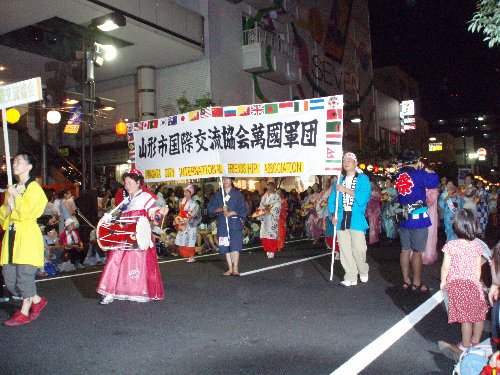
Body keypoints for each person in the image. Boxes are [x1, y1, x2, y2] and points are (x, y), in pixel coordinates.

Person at [97, 169, 168, 304]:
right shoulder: (126, 201)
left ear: (138, 182)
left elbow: (153, 214)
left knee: (136, 262)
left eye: (130, 182)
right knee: (114, 260)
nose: (127, 185)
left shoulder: (146, 198)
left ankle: (138, 291)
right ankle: (110, 291)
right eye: (125, 183)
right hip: (124, 237)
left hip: (138, 238)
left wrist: (160, 211)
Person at [0, 152, 48, 326]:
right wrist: (8, 205)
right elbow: (4, 216)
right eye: (15, 161)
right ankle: (36, 299)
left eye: (20, 161)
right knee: (10, 279)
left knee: (24, 276)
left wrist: (16, 197)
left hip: (27, 236)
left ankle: (24, 312)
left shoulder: (34, 188)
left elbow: (29, 212)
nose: (15, 164)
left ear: (29, 166)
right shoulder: (12, 188)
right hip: (12, 236)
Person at [440, 208, 488, 353]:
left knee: (466, 319)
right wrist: (476, 282)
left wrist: (443, 281)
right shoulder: (476, 246)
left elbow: (445, 267)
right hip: (473, 284)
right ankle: (475, 342)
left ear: (456, 226)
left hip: (458, 285)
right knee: (479, 315)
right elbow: (477, 269)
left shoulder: (451, 246)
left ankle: (465, 346)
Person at [395, 150, 439, 292]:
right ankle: (417, 282)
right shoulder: (419, 174)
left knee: (405, 249)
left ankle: (406, 280)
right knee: (418, 251)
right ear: (417, 161)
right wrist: (424, 169)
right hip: (418, 218)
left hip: (403, 217)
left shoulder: (399, 175)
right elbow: (434, 181)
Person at [328, 152, 371, 287]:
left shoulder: (363, 179)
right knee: (345, 249)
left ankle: (363, 270)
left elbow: (364, 197)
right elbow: (332, 201)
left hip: (356, 217)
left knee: (358, 249)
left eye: (349, 160)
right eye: (344, 160)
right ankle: (350, 276)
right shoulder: (338, 180)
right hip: (341, 217)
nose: (346, 162)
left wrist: (345, 190)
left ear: (355, 163)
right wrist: (332, 215)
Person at [207, 177, 248, 275]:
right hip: (223, 223)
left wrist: (232, 212)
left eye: (227, 179)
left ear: (231, 181)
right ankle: (230, 268)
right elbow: (211, 208)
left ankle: (235, 268)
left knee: (235, 245)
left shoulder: (237, 194)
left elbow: (243, 209)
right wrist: (220, 209)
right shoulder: (218, 195)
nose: (225, 181)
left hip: (234, 223)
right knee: (225, 245)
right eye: (223, 179)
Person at [174, 185, 201, 263]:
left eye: (187, 192)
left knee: (190, 240)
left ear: (191, 193)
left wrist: (188, 219)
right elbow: (180, 212)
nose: (185, 193)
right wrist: (178, 220)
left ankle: (191, 256)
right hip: (183, 222)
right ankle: (189, 255)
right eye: (185, 192)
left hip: (190, 223)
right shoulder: (183, 201)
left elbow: (194, 212)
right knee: (183, 239)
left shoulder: (194, 203)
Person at [256, 181, 281, 258]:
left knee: (271, 234)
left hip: (271, 217)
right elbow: (261, 205)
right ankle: (268, 249)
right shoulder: (264, 196)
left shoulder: (276, 196)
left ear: (274, 188)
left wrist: (267, 210)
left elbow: (277, 206)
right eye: (268, 186)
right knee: (264, 233)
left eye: (271, 186)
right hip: (265, 218)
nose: (269, 188)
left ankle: (272, 250)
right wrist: (259, 212)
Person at [422, 185, 440, 265]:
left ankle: (427, 254)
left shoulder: (433, 191)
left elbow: (429, 203)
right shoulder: (420, 187)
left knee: (428, 233)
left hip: (429, 214)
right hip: (421, 213)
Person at [366, 179, 381, 245]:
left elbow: (378, 198)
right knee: (372, 225)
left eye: (371, 184)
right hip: (369, 210)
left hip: (375, 210)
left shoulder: (377, 191)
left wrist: (369, 197)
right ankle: (373, 239)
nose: (370, 185)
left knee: (374, 225)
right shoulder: (369, 191)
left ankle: (373, 240)